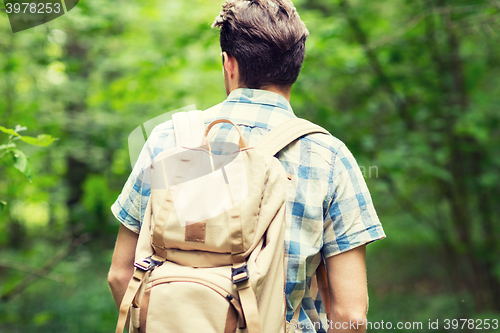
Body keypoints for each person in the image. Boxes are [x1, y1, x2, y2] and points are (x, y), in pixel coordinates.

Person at [108, 1, 385, 332]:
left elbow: (121, 274)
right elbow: (350, 316)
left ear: (229, 64)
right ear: (295, 68)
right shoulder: (329, 156)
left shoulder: (168, 140)